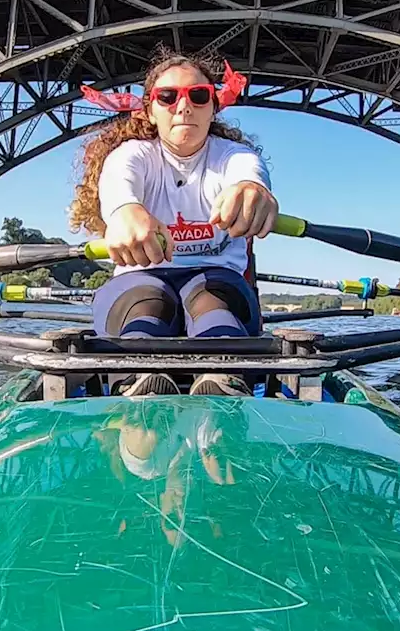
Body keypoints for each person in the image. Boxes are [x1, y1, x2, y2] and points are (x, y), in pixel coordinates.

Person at [70, 50, 278, 396]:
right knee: (148, 302)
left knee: (213, 303)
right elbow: (118, 183)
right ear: (149, 110)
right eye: (168, 97)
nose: (184, 107)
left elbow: (250, 174)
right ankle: (139, 377)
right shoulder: (133, 155)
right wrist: (124, 211)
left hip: (216, 280)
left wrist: (252, 191)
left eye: (198, 96)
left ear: (214, 107)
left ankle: (220, 375)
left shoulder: (234, 157)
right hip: (141, 279)